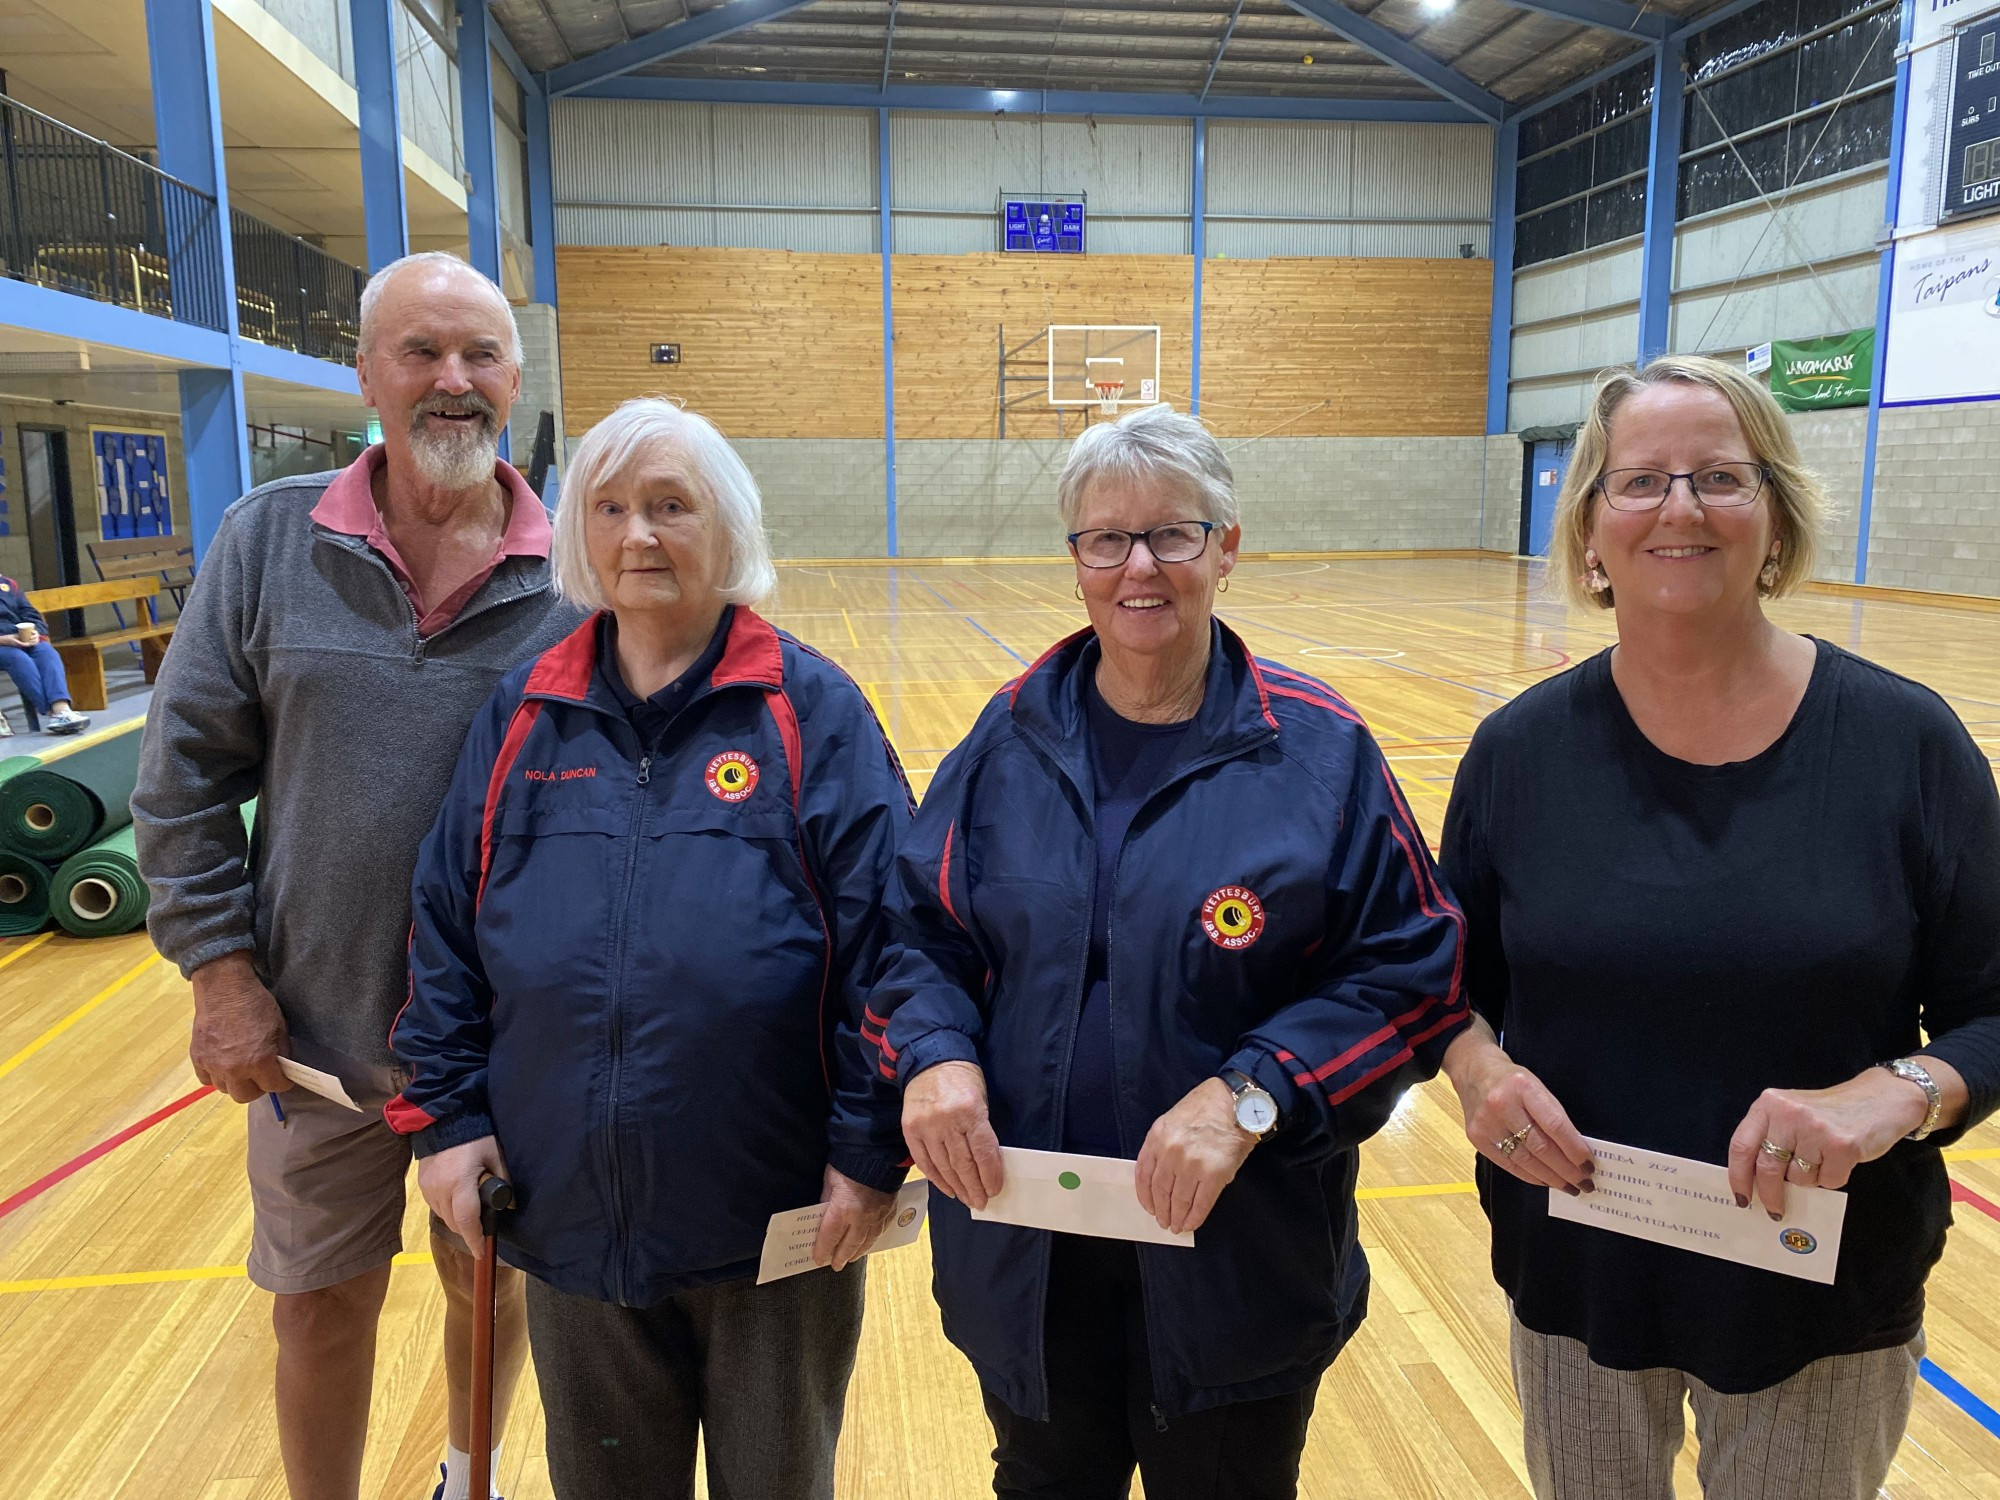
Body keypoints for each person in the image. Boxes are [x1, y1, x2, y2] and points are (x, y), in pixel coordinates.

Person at [864, 404, 1469, 1499]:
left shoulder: (1319, 750)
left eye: (1171, 535)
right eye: (1106, 539)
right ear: (1077, 559)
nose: (1137, 567)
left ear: (1225, 548)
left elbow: (1410, 977)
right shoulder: (1004, 740)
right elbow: (914, 935)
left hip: (1237, 1267)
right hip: (1028, 1260)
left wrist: (1250, 1094)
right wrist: (934, 1052)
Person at [1439, 354, 2000, 1500]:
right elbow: (1447, 990)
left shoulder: (1904, 746)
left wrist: (1893, 1092)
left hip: (1817, 1291)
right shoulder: (1516, 754)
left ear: (1774, 519)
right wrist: (1475, 1071)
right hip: (1578, 1269)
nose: (1679, 508)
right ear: (1589, 529)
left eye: (1719, 478)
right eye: (1639, 481)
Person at [387, 396, 914, 1500]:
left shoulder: (811, 711)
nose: (638, 535)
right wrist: (446, 1123)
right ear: (580, 532)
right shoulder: (522, 714)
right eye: (612, 507)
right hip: (566, 1218)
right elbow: (444, 931)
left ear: (726, 530)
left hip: (776, 1227)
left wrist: (868, 1156)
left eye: (671, 506)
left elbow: (893, 949)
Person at [133, 251, 583, 1500]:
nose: (454, 381)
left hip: (504, 1047)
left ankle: (462, 1479)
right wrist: (222, 978)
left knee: (482, 1287)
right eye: (421, 353)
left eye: (480, 355)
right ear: (366, 375)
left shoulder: (576, 578)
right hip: (312, 1037)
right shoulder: (269, 539)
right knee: (317, 1307)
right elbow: (179, 781)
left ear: (512, 375)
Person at [0, 573, 90, 734]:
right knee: (19, 659)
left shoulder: (8, 584)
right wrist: (4, 639)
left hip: (20, 638)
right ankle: (55, 714)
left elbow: (30, 613)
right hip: (4, 644)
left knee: (47, 652)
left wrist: (34, 631)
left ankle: (62, 708)